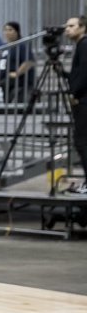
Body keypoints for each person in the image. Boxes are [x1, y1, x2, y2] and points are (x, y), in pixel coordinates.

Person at [0, 21, 34, 102]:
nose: (7, 32)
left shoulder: (22, 45)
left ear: (17, 32)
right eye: (5, 30)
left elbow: (29, 62)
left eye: (10, 30)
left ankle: (6, 106)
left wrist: (17, 73)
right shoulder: (3, 47)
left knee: (5, 83)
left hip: (16, 77)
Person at [66, 17, 87, 191]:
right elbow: (78, 74)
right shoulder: (81, 46)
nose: (67, 29)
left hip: (83, 101)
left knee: (82, 142)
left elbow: (84, 73)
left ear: (83, 28)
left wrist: (74, 92)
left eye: (71, 26)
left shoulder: (85, 45)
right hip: (81, 99)